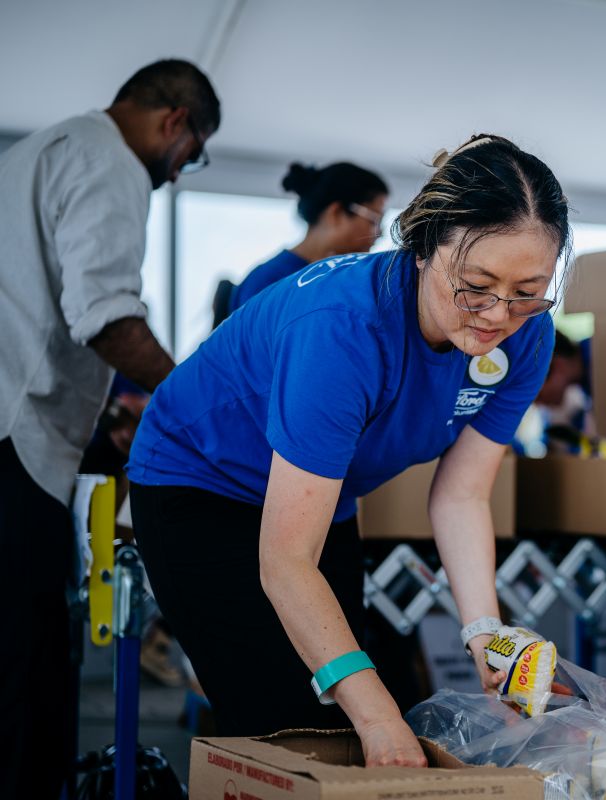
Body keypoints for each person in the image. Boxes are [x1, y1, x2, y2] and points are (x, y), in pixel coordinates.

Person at [126, 134, 568, 767]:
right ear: (423, 248)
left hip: (321, 497)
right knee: (285, 720)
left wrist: (484, 633)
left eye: (528, 290)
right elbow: (286, 559)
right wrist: (379, 717)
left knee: (341, 710)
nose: (499, 315)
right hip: (201, 480)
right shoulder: (341, 329)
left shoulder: (528, 337)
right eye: (476, 285)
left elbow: (462, 495)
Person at [0, 59, 220, 798]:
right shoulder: (113, 162)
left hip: (15, 424)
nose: (179, 172)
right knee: (27, 670)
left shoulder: (40, 149)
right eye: (193, 154)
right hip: (15, 441)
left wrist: (111, 411)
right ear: (176, 121)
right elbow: (105, 316)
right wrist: (195, 403)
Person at [214, 161, 390, 325]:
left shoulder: (332, 279)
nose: (380, 233)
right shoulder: (269, 282)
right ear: (336, 213)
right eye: (374, 219)